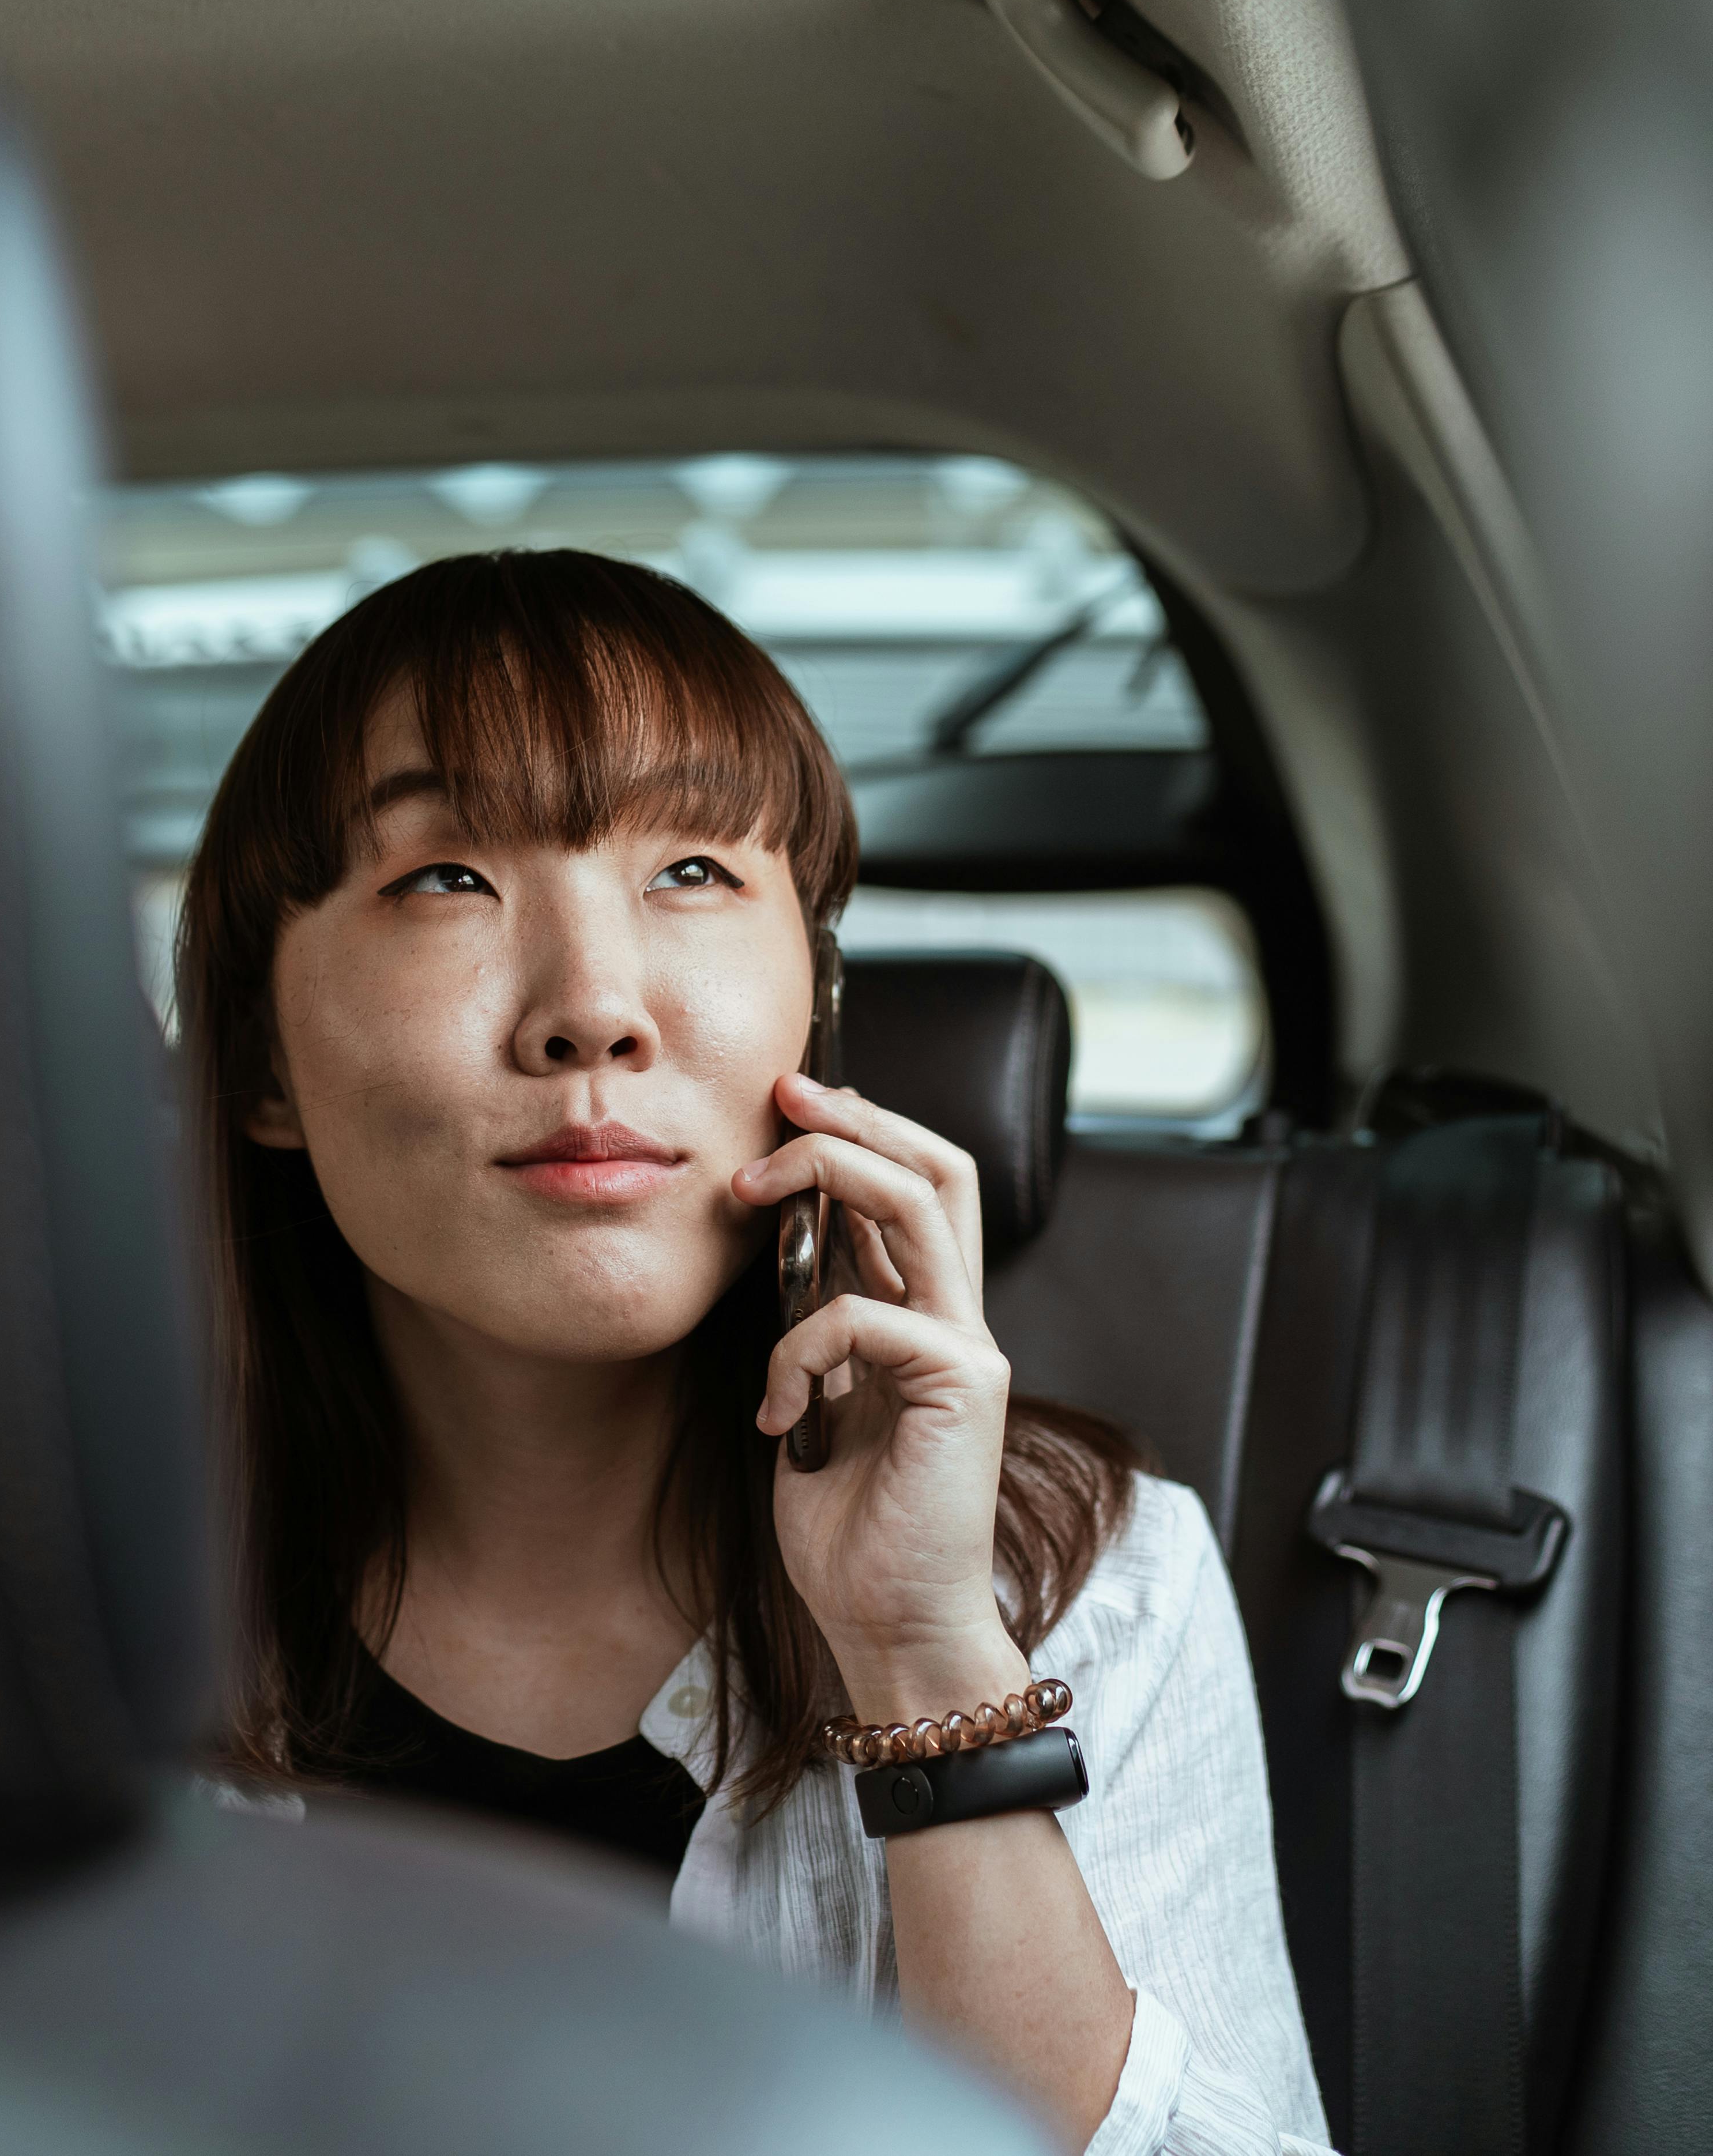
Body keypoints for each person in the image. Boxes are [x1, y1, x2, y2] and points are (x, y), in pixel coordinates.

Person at [178, 549, 1327, 2156]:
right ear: (264, 1067)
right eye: (447, 876)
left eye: (695, 871)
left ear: (817, 1000)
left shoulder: (1088, 1580)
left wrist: (928, 1656)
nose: (593, 1009)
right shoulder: (31, 1613)